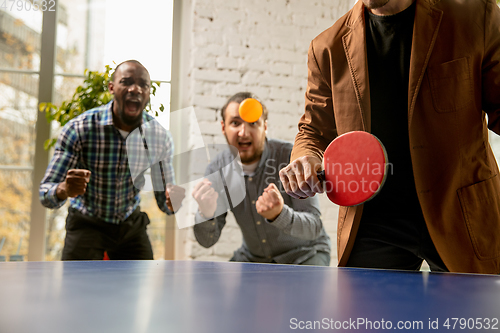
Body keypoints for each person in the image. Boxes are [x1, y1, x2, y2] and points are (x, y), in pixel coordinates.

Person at [279, 0, 500, 274]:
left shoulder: (476, 15)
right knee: (366, 319)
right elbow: (313, 130)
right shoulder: (326, 48)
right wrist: (306, 158)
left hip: (461, 212)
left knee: (474, 317)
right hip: (373, 220)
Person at [40, 60, 185, 260]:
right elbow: (45, 192)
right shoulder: (79, 129)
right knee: (75, 288)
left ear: (149, 93)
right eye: (126, 82)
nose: (135, 89)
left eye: (143, 84)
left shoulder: (158, 137)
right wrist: (64, 188)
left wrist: (173, 200)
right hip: (87, 222)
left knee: (144, 284)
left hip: (129, 224)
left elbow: (165, 203)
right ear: (112, 88)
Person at [192, 92, 331, 265]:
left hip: (305, 255)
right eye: (235, 123)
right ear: (223, 127)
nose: (243, 132)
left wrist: (280, 215)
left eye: (252, 123)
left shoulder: (289, 157)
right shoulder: (217, 170)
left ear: (264, 127)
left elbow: (314, 228)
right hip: (253, 259)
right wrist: (206, 213)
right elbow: (207, 241)